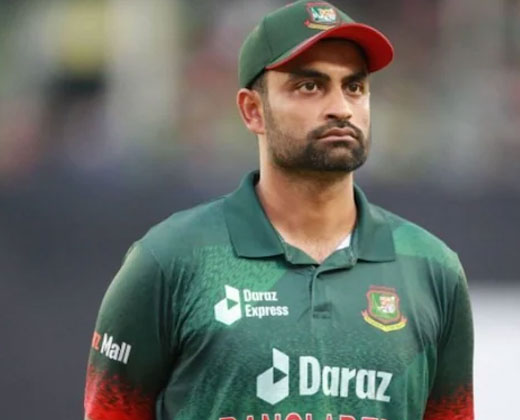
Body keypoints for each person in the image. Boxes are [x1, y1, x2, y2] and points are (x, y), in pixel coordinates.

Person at [83, 1, 474, 420]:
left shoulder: (432, 270)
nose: (341, 108)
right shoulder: (170, 259)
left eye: (354, 87)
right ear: (253, 111)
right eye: (310, 86)